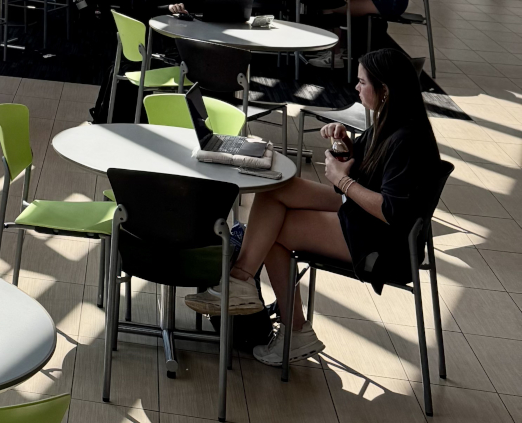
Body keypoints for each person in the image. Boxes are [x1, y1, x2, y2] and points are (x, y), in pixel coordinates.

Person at [184, 49, 440, 366]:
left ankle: (285, 321)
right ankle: (244, 284)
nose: (356, 89)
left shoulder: (408, 138)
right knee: (275, 187)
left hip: (384, 242)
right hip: (364, 218)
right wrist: (343, 146)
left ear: (385, 89)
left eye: (362, 83)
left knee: (274, 230)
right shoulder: (389, 120)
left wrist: (343, 181)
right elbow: (360, 171)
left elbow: (391, 210)